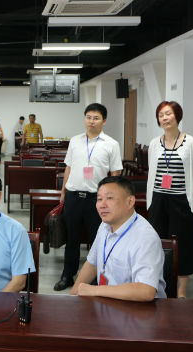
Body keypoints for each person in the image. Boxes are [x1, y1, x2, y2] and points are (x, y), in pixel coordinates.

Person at [54, 103, 122, 291]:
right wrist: (63, 193)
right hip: (73, 196)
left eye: (96, 118)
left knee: (97, 240)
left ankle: (94, 279)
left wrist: (111, 198)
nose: (91, 121)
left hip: (97, 200)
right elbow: (68, 167)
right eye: (88, 117)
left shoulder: (111, 144)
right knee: (72, 239)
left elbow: (115, 173)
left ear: (104, 121)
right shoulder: (75, 141)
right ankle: (68, 275)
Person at [71, 176, 167, 301]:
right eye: (99, 199)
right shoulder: (104, 225)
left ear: (130, 202)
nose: (102, 205)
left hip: (139, 308)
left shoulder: (145, 237)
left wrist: (94, 290)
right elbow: (92, 264)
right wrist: (72, 297)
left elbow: (145, 291)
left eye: (110, 198)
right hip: (108, 302)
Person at [147, 101, 193, 298]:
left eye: (168, 114)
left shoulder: (191, 143)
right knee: (157, 242)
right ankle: (160, 283)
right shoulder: (155, 143)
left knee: (183, 243)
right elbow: (152, 171)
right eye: (161, 115)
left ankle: (181, 289)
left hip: (180, 200)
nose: (165, 118)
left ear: (177, 116)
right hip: (158, 199)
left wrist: (189, 194)